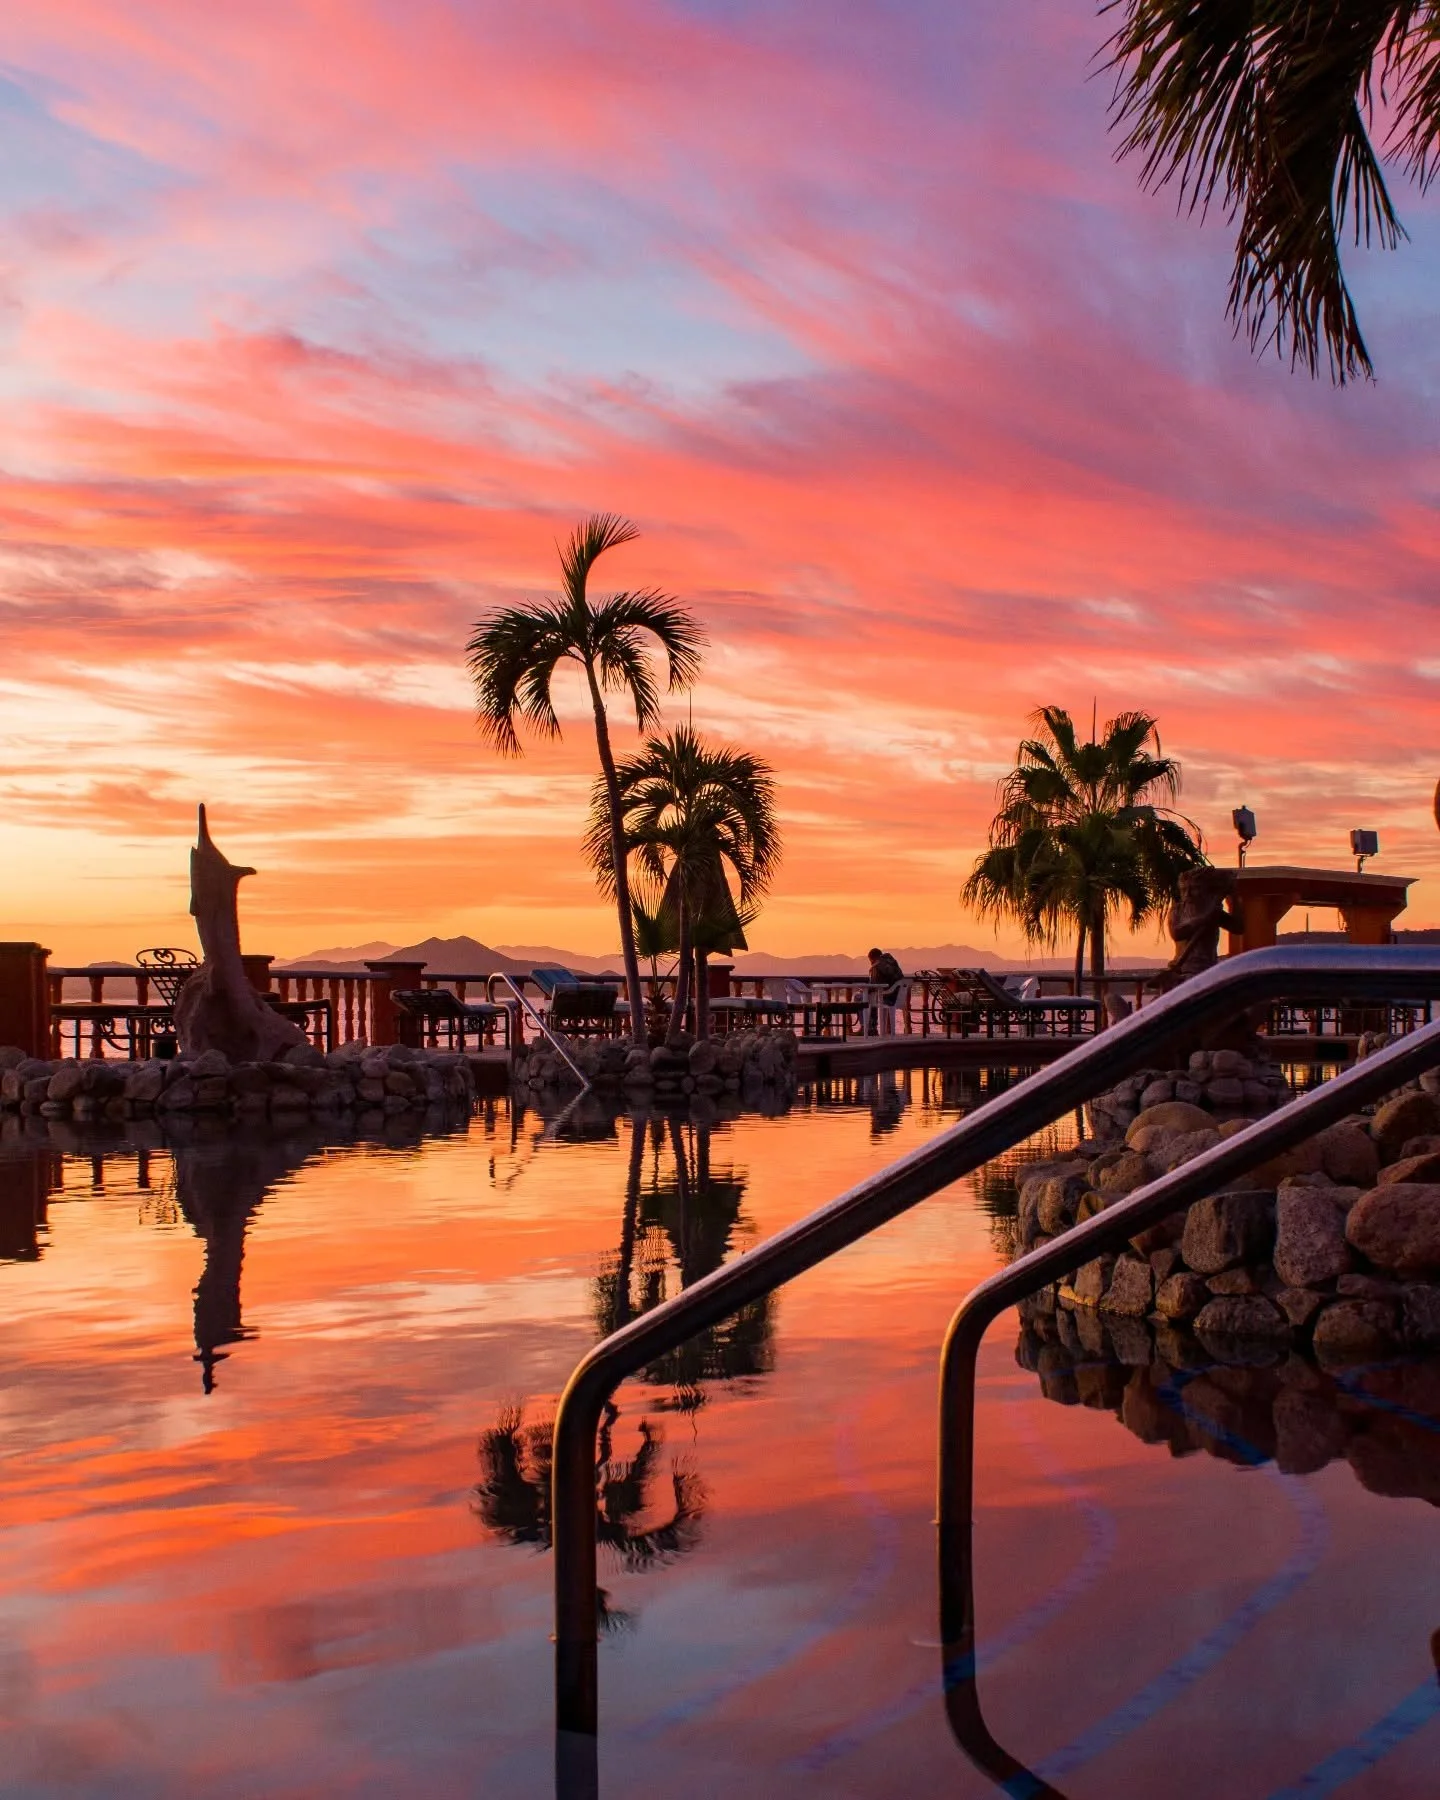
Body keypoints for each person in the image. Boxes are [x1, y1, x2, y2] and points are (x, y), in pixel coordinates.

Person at [866, 947, 905, 1037]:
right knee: (872, 997)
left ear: (873, 958)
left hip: (887, 998)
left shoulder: (877, 966)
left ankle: (870, 1028)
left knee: (863, 998)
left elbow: (874, 985)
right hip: (896, 997)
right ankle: (872, 1028)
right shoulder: (893, 963)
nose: (870, 963)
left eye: (870, 960)